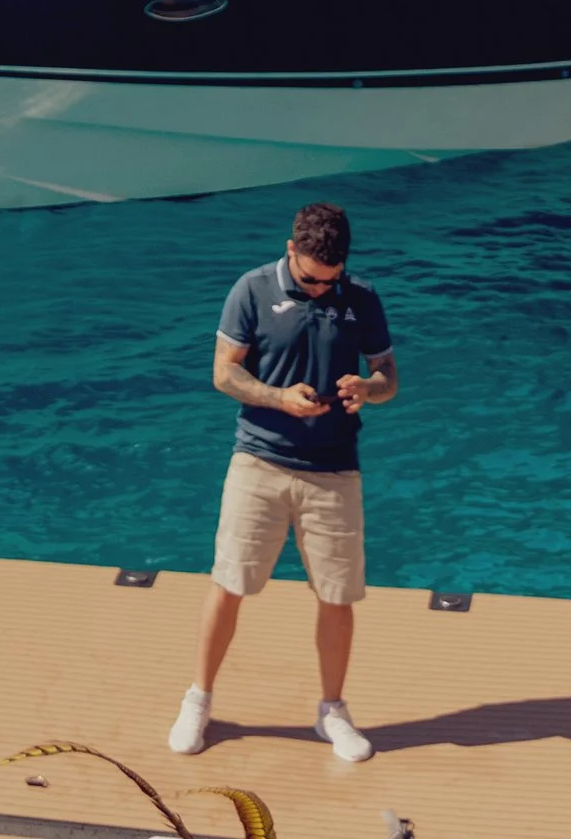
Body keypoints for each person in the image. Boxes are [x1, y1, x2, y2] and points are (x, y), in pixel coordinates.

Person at [170, 200, 397, 769]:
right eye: (311, 279)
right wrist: (277, 398)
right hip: (260, 462)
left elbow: (389, 376)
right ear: (291, 250)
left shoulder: (361, 297)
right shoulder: (249, 289)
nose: (322, 289)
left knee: (337, 596)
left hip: (336, 470)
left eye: (332, 280)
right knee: (229, 583)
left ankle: (332, 712)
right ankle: (198, 700)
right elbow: (224, 371)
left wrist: (368, 390)